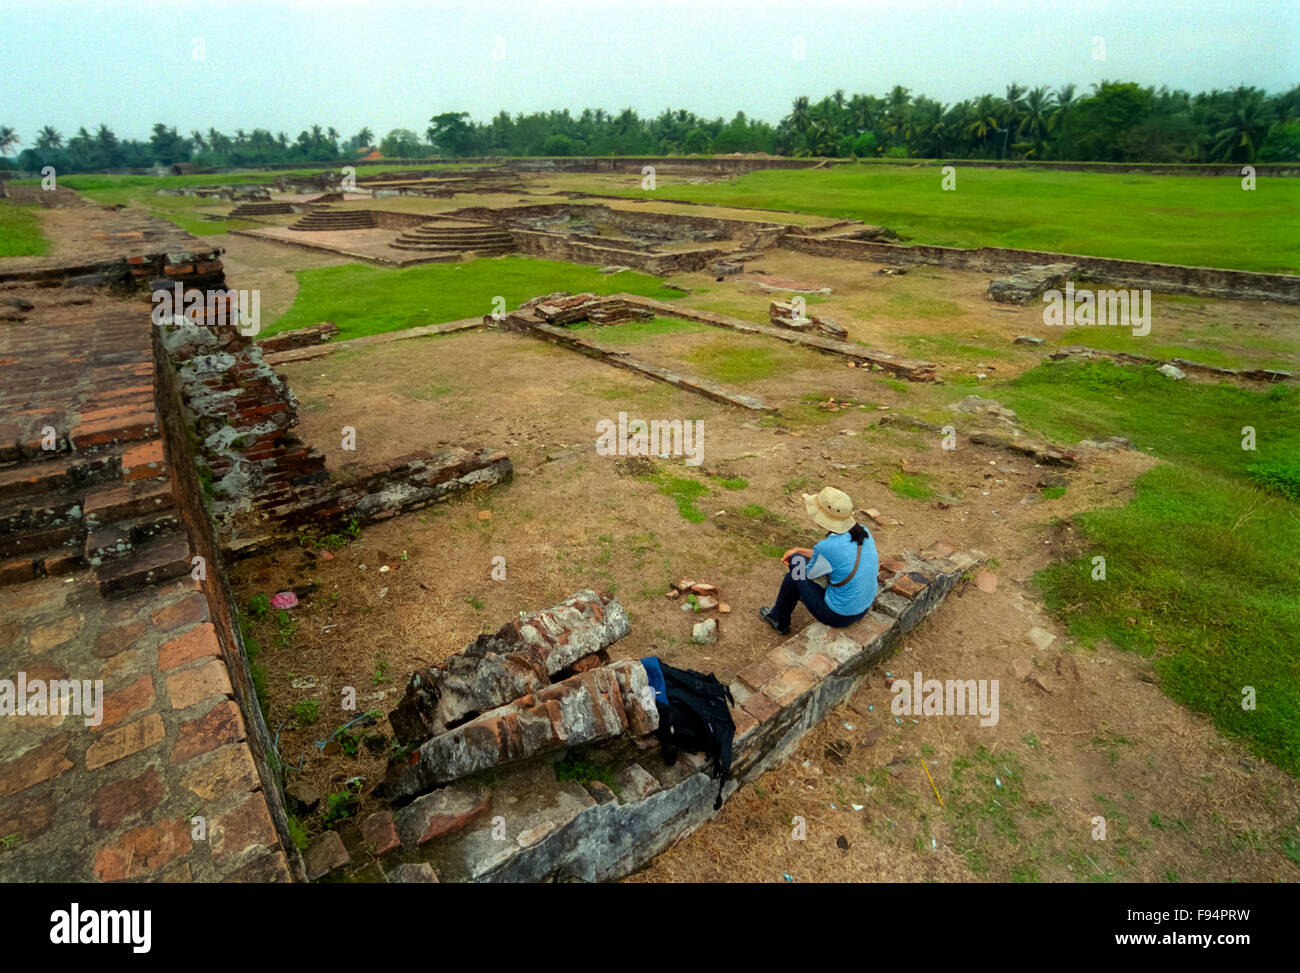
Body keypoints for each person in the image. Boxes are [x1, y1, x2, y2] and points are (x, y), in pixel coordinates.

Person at [760, 486, 877, 636]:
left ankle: (778, 618)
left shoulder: (827, 547)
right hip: (863, 606)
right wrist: (800, 550)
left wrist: (796, 555)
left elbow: (809, 575)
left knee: (795, 570)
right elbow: (836, 557)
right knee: (799, 561)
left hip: (839, 616)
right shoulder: (863, 530)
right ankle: (781, 612)